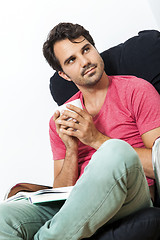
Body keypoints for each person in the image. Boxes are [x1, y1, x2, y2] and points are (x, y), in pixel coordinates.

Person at [0, 22, 160, 240]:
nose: (85, 61)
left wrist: (95, 139)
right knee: (4, 217)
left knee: (115, 152)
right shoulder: (62, 119)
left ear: (94, 49)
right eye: (71, 60)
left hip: (131, 195)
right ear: (64, 75)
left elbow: (157, 164)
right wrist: (71, 148)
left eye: (86, 49)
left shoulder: (137, 91)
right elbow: (61, 191)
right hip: (77, 205)